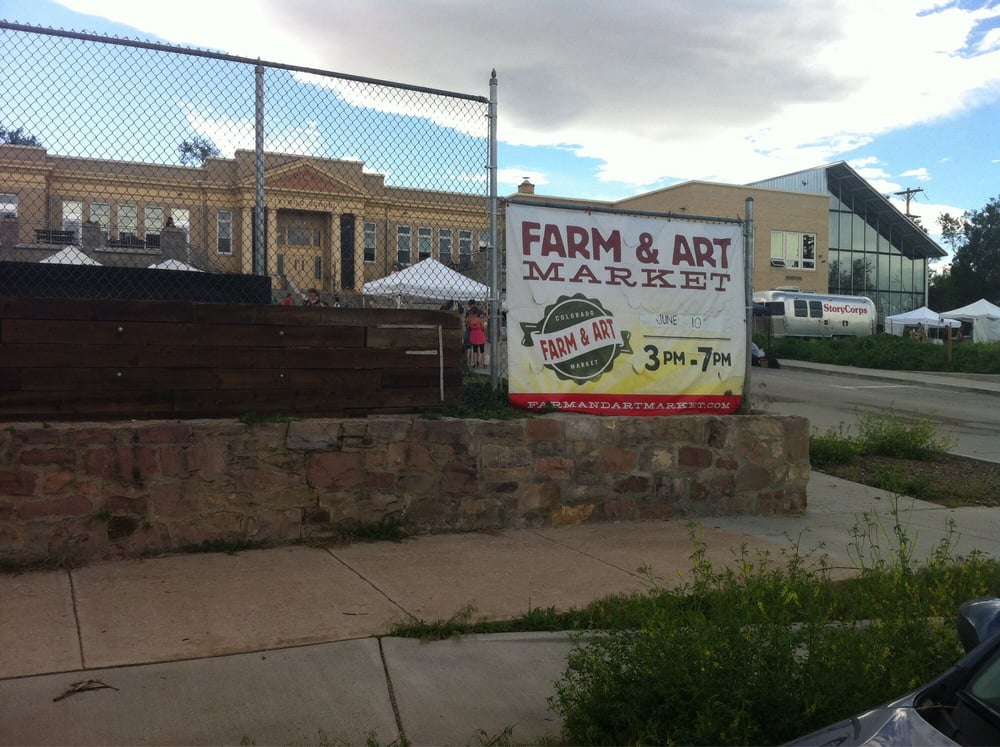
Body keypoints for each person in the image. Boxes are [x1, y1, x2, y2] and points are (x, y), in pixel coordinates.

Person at [466, 303, 488, 368]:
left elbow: (467, 325)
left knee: (474, 349)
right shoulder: (479, 319)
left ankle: (475, 363)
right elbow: (483, 327)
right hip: (480, 334)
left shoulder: (469, 319)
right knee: (482, 349)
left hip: (473, 334)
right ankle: (485, 364)